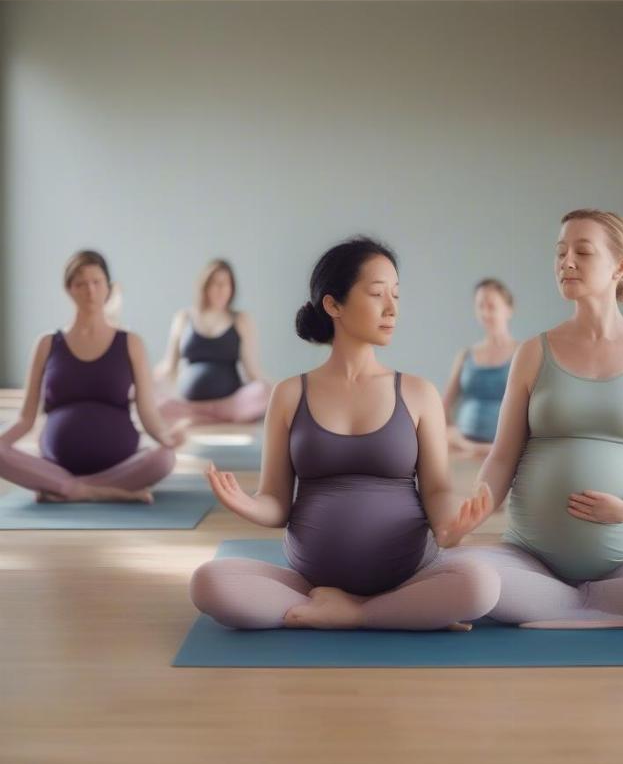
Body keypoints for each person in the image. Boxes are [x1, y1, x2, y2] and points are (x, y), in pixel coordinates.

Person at [190, 237, 499, 631]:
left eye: (397, 295)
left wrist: (450, 528)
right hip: (310, 582)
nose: (392, 309)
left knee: (481, 585)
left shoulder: (419, 394)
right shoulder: (289, 394)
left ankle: (354, 612)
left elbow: (437, 490)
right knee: (209, 583)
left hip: (407, 575)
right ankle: (398, 613)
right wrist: (245, 505)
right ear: (333, 304)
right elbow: (276, 503)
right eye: (376, 294)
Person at [440, 210, 623, 629]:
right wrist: (480, 504)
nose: (566, 262)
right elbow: (502, 456)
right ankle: (589, 609)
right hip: (531, 558)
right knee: (463, 570)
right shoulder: (532, 353)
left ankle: (558, 607)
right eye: (561, 252)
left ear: (620, 267)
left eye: (582, 252)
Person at [0, 250, 182, 503]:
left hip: (120, 465)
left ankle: (70, 489)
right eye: (81, 284)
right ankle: (97, 491)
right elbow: (25, 418)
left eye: (97, 282)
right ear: (68, 289)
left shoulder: (131, 343)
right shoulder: (46, 344)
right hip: (58, 465)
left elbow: (148, 412)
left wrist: (167, 436)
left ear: (108, 287)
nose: (90, 291)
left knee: (165, 458)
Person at [156, 259, 270, 424]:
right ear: (205, 286)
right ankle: (210, 418)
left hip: (230, 404)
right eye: (216, 283)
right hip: (188, 405)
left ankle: (201, 419)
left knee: (262, 392)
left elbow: (252, 370)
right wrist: (142, 382)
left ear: (232, 288)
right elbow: (168, 365)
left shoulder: (241, 320)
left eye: (226, 284)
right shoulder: (184, 318)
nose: (221, 289)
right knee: (152, 401)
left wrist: (277, 389)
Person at [443, 278, 518, 460]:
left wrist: (477, 449)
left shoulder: (523, 354)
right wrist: (451, 433)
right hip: (462, 449)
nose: (485, 312)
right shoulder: (465, 355)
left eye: (491, 306)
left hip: (506, 452)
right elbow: (444, 405)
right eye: (480, 306)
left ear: (508, 310)